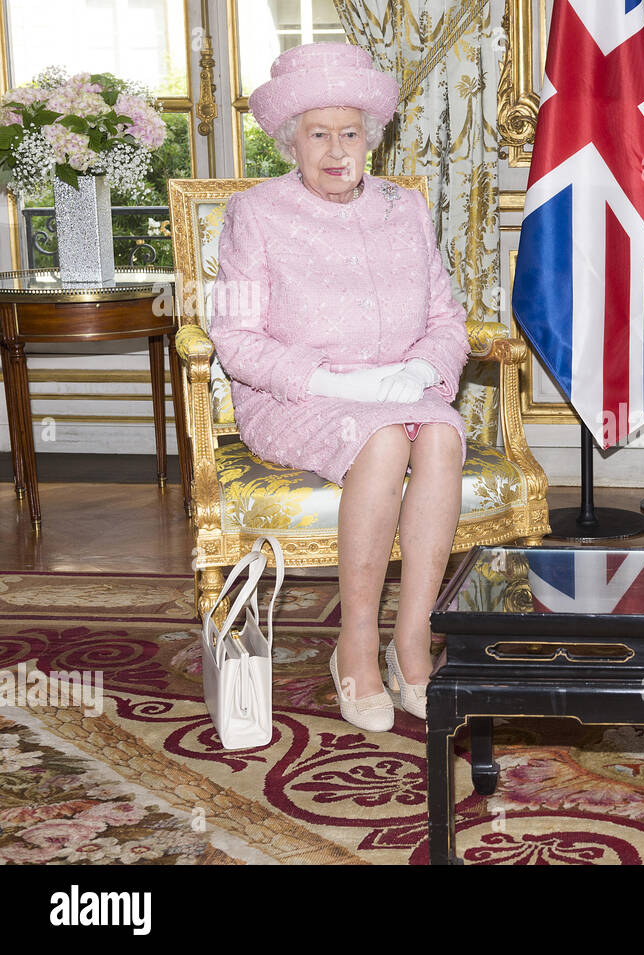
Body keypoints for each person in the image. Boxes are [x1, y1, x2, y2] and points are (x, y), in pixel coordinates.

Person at [209, 43, 469, 732]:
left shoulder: (404, 207)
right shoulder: (256, 213)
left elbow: (446, 318)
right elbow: (235, 340)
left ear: (369, 138)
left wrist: (421, 371)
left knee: (441, 432)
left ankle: (410, 641)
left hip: (397, 387)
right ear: (288, 139)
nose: (334, 149)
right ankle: (354, 642)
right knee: (383, 441)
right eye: (316, 133)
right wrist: (324, 377)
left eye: (348, 132)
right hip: (297, 396)